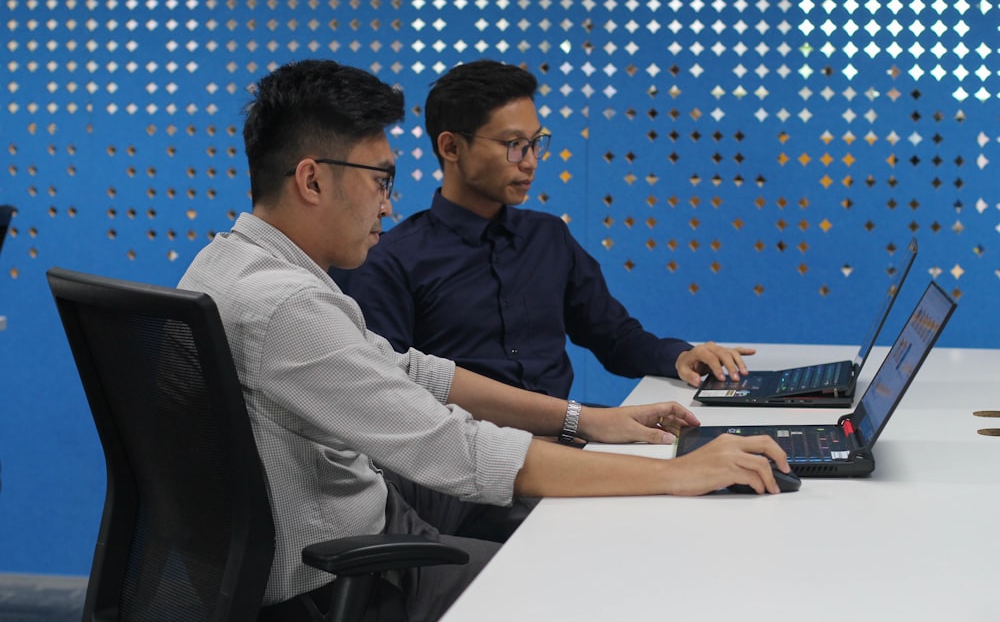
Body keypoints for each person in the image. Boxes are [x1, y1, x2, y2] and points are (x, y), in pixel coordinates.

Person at [178, 59, 790, 622]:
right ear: (311, 180)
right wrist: (677, 474)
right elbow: (452, 447)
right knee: (595, 587)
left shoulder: (233, 265)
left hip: (365, 531)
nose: (387, 205)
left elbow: (418, 372)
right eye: (380, 180)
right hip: (347, 573)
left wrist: (587, 420)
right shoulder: (290, 304)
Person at [347, 59, 754, 403]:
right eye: (513, 144)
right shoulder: (391, 261)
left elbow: (614, 337)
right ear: (451, 148)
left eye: (535, 142)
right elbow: (393, 395)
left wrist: (680, 356)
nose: (529, 162)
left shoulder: (549, 238)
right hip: (471, 466)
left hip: (565, 438)